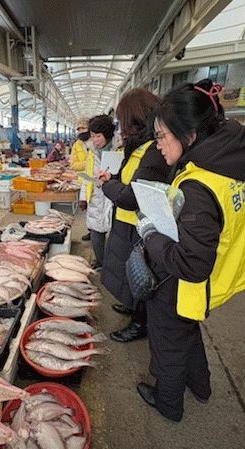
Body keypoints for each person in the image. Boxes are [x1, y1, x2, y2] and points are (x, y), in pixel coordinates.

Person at [134, 79, 245, 422]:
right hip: (221, 273)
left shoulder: (198, 185)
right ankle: (201, 385)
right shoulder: (234, 163)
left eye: (162, 136)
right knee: (188, 332)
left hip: (184, 284)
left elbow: (190, 264)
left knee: (167, 343)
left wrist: (150, 233)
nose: (157, 145)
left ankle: (168, 403)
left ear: (188, 133)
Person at [97, 88, 171, 342]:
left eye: (122, 120)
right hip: (128, 223)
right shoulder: (138, 146)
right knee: (128, 272)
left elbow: (132, 197)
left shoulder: (154, 151)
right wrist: (113, 177)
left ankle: (140, 323)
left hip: (141, 226)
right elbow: (131, 179)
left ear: (135, 118)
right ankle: (132, 307)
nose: (121, 127)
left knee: (142, 274)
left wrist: (107, 186)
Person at [79, 115, 118, 270]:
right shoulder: (92, 152)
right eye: (93, 136)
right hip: (96, 197)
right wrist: (83, 197)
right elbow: (87, 175)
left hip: (113, 197)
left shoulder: (120, 149)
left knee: (115, 236)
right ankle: (101, 262)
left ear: (107, 134)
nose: (95, 140)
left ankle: (112, 264)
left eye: (98, 136)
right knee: (96, 236)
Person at [70, 117, 93, 241]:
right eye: (78, 129)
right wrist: (90, 163)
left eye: (83, 128)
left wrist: (86, 164)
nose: (81, 131)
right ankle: (91, 231)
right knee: (87, 209)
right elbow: (74, 165)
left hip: (97, 178)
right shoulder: (77, 145)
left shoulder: (96, 141)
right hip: (84, 180)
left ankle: (98, 231)